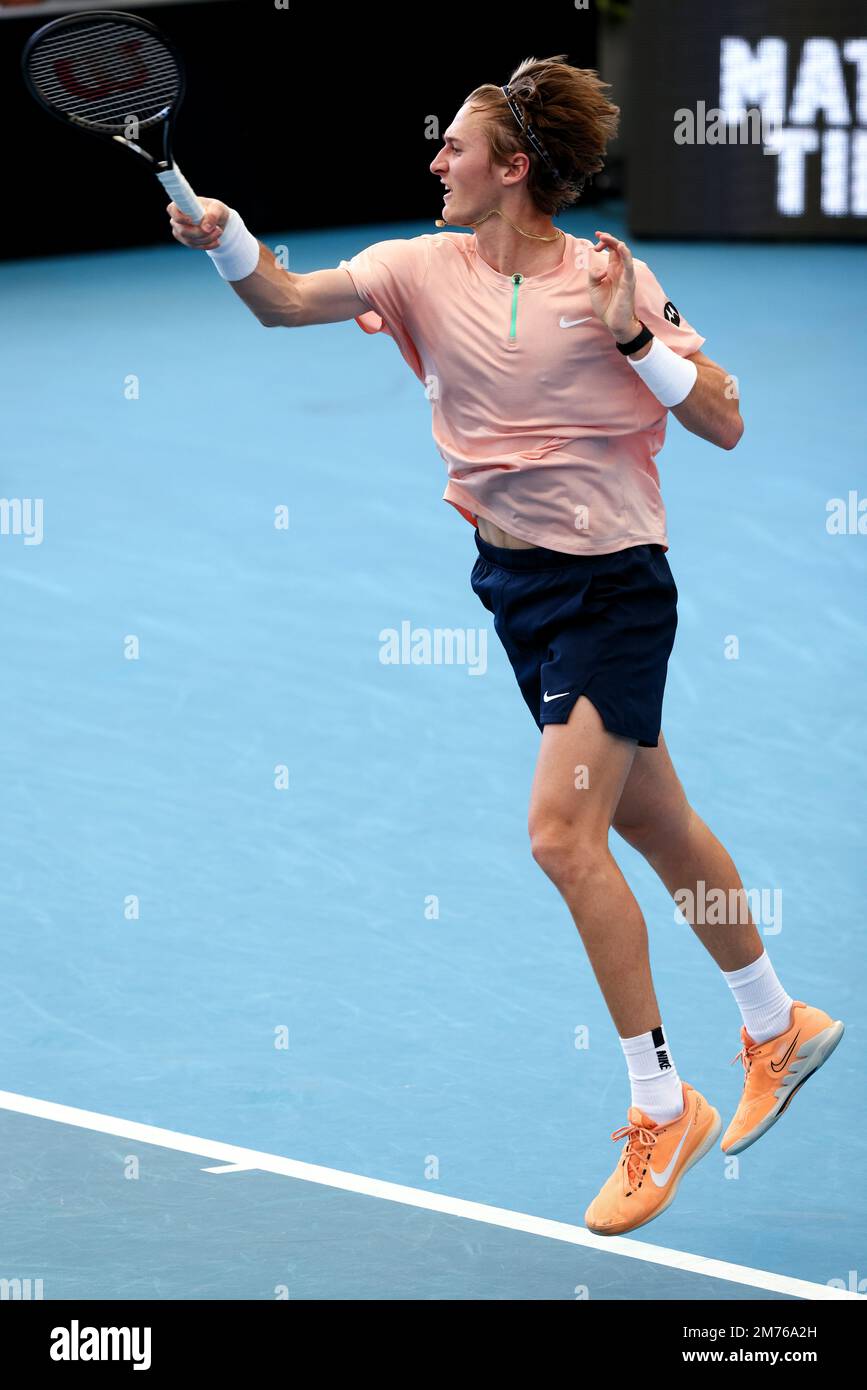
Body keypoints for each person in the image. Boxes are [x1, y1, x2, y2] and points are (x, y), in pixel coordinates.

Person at [167, 55, 844, 1237]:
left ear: (513, 169)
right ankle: (778, 1024)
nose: (436, 161)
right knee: (652, 819)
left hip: (616, 593)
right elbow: (279, 299)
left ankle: (657, 1102)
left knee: (558, 833)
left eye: (457, 148)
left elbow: (725, 418)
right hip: (515, 590)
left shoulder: (607, 278)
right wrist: (226, 237)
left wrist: (640, 341)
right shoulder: (412, 269)